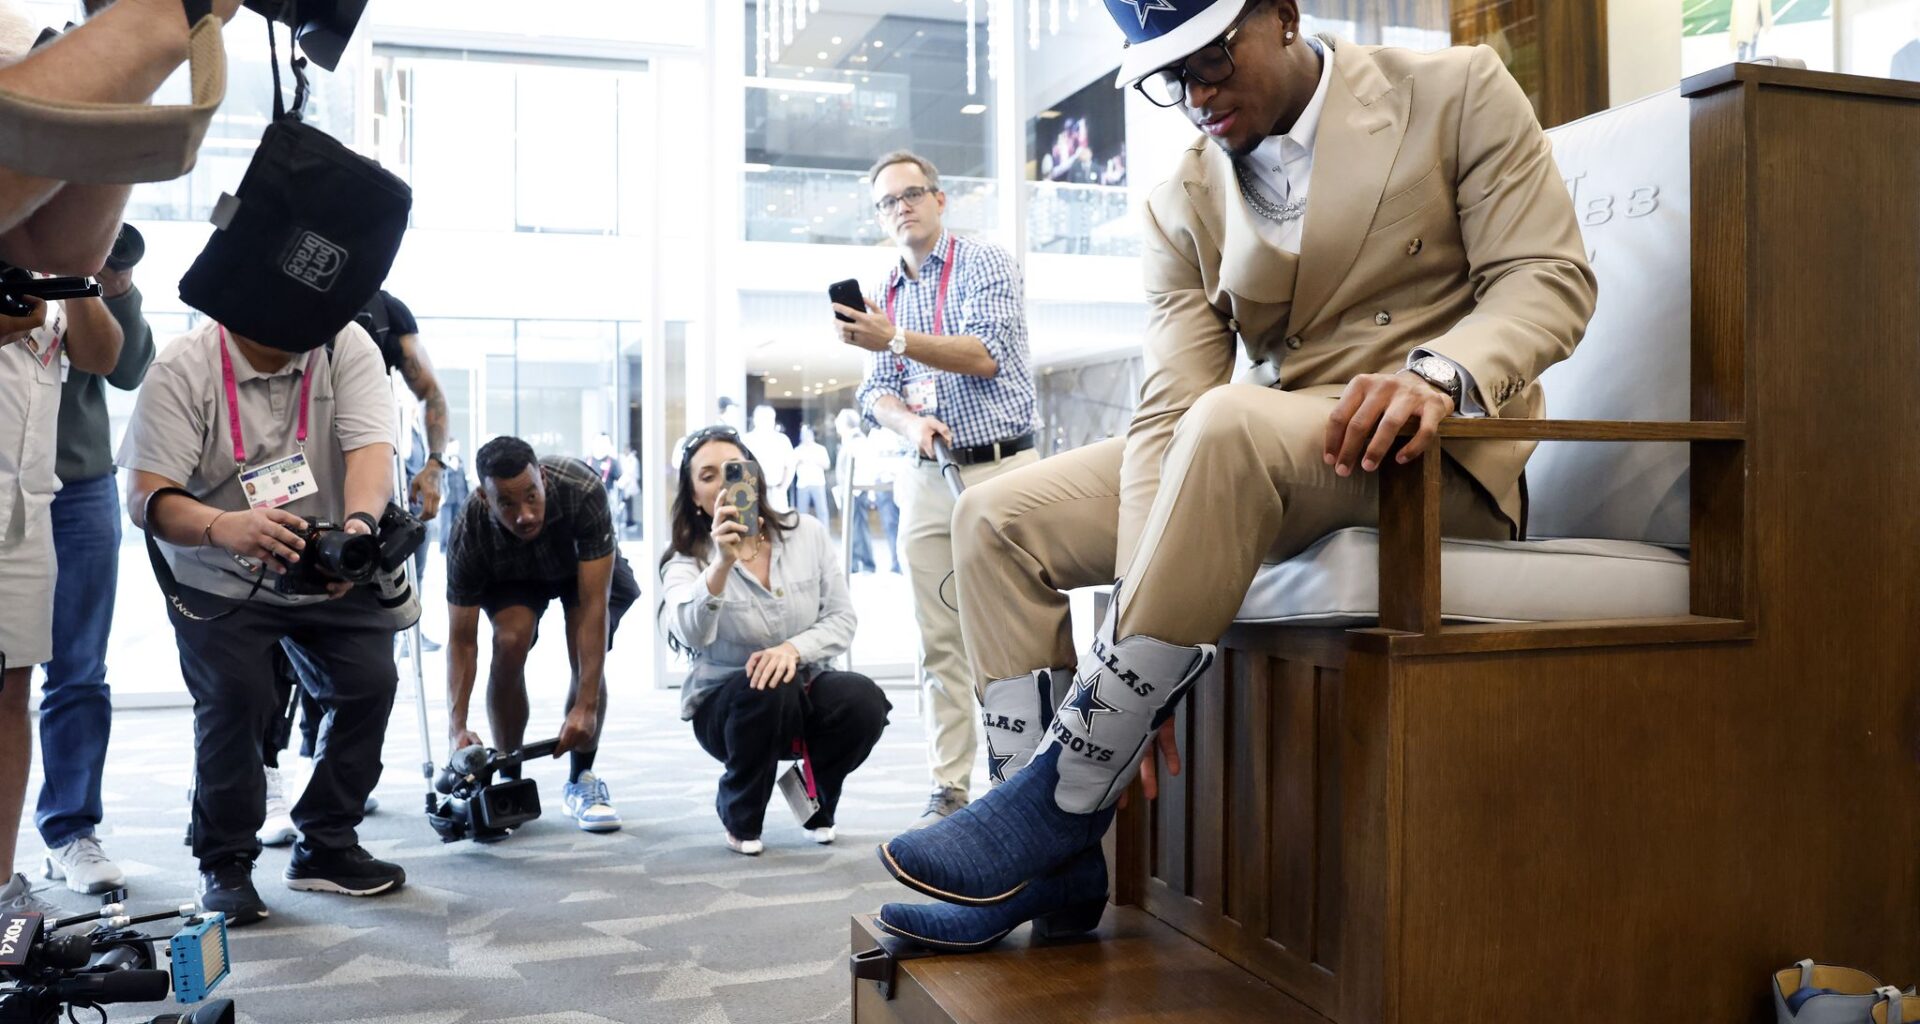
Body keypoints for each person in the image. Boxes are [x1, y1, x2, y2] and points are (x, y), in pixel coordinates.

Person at [873, 0, 1596, 951]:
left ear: (1285, 15)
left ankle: (1059, 798)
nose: (1196, 95)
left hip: (1438, 460)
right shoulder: (1181, 195)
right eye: (1166, 78)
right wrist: (1133, 658)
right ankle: (1049, 855)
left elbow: (1549, 276)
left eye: (1213, 59)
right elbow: (1168, 409)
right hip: (1277, 451)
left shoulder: (1454, 90)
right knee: (997, 514)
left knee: (1227, 425)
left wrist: (1440, 373)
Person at [120, 313, 408, 927]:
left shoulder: (341, 341)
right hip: (218, 570)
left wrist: (356, 529)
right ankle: (224, 862)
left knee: (369, 683)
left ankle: (325, 843)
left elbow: (371, 453)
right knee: (237, 698)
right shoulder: (183, 365)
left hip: (326, 559)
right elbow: (146, 497)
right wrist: (225, 527)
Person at [836, 149, 1038, 829]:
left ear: (941, 199)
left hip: (1004, 467)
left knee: (1014, 629)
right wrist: (908, 420)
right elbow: (875, 392)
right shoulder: (883, 287)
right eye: (889, 201)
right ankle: (950, 784)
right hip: (927, 474)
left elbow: (984, 354)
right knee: (938, 640)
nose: (903, 207)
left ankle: (1026, 774)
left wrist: (894, 340)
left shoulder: (983, 262)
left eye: (913, 194)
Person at [255, 288, 448, 846]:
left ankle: (323, 779)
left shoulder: (386, 311)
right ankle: (268, 783)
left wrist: (433, 464)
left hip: (365, 498)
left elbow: (429, 391)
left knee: (359, 657)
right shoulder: (266, 295)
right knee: (269, 657)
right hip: (281, 486)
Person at [658, 425, 890, 855]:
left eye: (733, 470)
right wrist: (721, 565)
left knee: (862, 699)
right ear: (693, 495)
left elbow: (842, 618)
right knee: (768, 684)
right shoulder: (685, 559)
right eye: (707, 476)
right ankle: (741, 813)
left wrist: (792, 650)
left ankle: (812, 798)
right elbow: (689, 631)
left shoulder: (808, 534)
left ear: (754, 476)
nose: (723, 482)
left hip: (803, 691)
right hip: (727, 711)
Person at [443, 436, 640, 833]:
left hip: (579, 571)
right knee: (509, 641)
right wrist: (457, 727)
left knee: (582, 648)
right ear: (485, 497)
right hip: (511, 572)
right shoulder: (470, 530)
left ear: (543, 478)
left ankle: (582, 779)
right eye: (508, 504)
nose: (525, 514)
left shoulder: (581, 490)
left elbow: (594, 605)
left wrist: (585, 706)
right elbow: (462, 640)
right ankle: (508, 778)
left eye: (532, 496)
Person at [35, 250, 154, 896]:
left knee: (78, 670)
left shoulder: (77, 244)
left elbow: (130, 367)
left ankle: (70, 831)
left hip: (79, 488)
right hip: (3, 483)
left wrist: (116, 282)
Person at [0, 290, 122, 914]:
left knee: (45, 678)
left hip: (51, 491)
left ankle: (55, 843)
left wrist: (83, 277)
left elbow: (112, 359)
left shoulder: (67, 257)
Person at [832, 410, 876, 573]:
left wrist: (855, 491)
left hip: (856, 491)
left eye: (838, 421)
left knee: (857, 527)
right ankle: (857, 562)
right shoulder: (850, 440)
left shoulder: (857, 441)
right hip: (851, 491)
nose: (836, 424)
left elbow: (864, 467)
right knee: (854, 527)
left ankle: (865, 563)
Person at [742, 405, 794, 514]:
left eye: (769, 418)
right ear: (755, 419)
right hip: (752, 492)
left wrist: (782, 489)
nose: (767, 421)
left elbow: (790, 467)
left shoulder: (782, 440)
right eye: (763, 418)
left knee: (780, 526)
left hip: (776, 492)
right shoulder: (746, 440)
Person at [792, 424, 831, 523]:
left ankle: (824, 533)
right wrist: (800, 461)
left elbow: (827, 465)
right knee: (802, 512)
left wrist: (814, 460)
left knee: (822, 510)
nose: (806, 437)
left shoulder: (820, 449)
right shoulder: (797, 450)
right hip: (802, 484)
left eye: (808, 435)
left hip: (817, 483)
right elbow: (791, 465)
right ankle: (803, 532)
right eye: (804, 435)